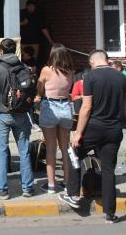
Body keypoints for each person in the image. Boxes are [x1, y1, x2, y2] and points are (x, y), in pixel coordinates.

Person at [59, 50, 126, 224]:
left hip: (94, 127)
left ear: (92, 62)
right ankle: (110, 213)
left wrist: (78, 133)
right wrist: (116, 107)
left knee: (74, 153)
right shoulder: (122, 77)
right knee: (108, 169)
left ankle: (72, 194)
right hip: (114, 129)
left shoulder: (90, 77)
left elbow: (86, 108)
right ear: (106, 60)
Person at [0, 38, 34, 200]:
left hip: (2, 113)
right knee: (24, 150)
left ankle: (2, 189)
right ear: (15, 51)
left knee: (1, 150)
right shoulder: (24, 68)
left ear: (1, 51)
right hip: (22, 113)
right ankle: (27, 187)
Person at [36, 44, 75, 194]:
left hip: (50, 106)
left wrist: (39, 94)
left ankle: (51, 185)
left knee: (51, 149)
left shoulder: (47, 70)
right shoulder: (70, 72)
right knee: (64, 148)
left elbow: (40, 88)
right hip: (65, 106)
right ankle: (67, 182)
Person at [20, 0, 54, 65]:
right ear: (26, 6)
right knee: (23, 58)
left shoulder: (39, 15)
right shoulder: (22, 13)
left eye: (33, 6)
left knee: (34, 59)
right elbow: (13, 24)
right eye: (29, 6)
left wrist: (50, 40)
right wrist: (23, 23)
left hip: (35, 41)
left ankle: (33, 73)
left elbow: (43, 28)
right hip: (23, 41)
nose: (31, 8)